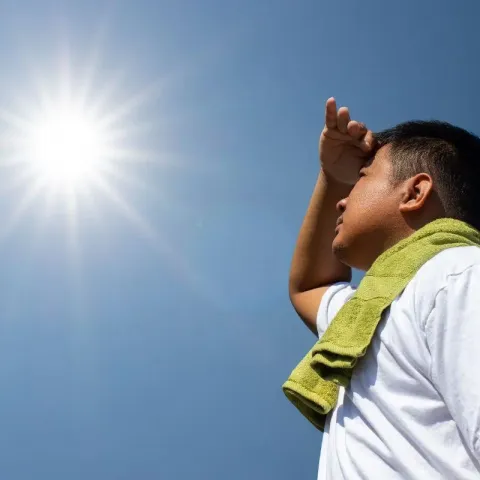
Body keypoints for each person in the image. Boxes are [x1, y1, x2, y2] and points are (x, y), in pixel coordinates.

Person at [288, 98, 480, 479]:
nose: (342, 200)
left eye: (362, 178)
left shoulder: (457, 274)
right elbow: (310, 285)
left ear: (414, 193)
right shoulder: (367, 316)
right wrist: (334, 176)